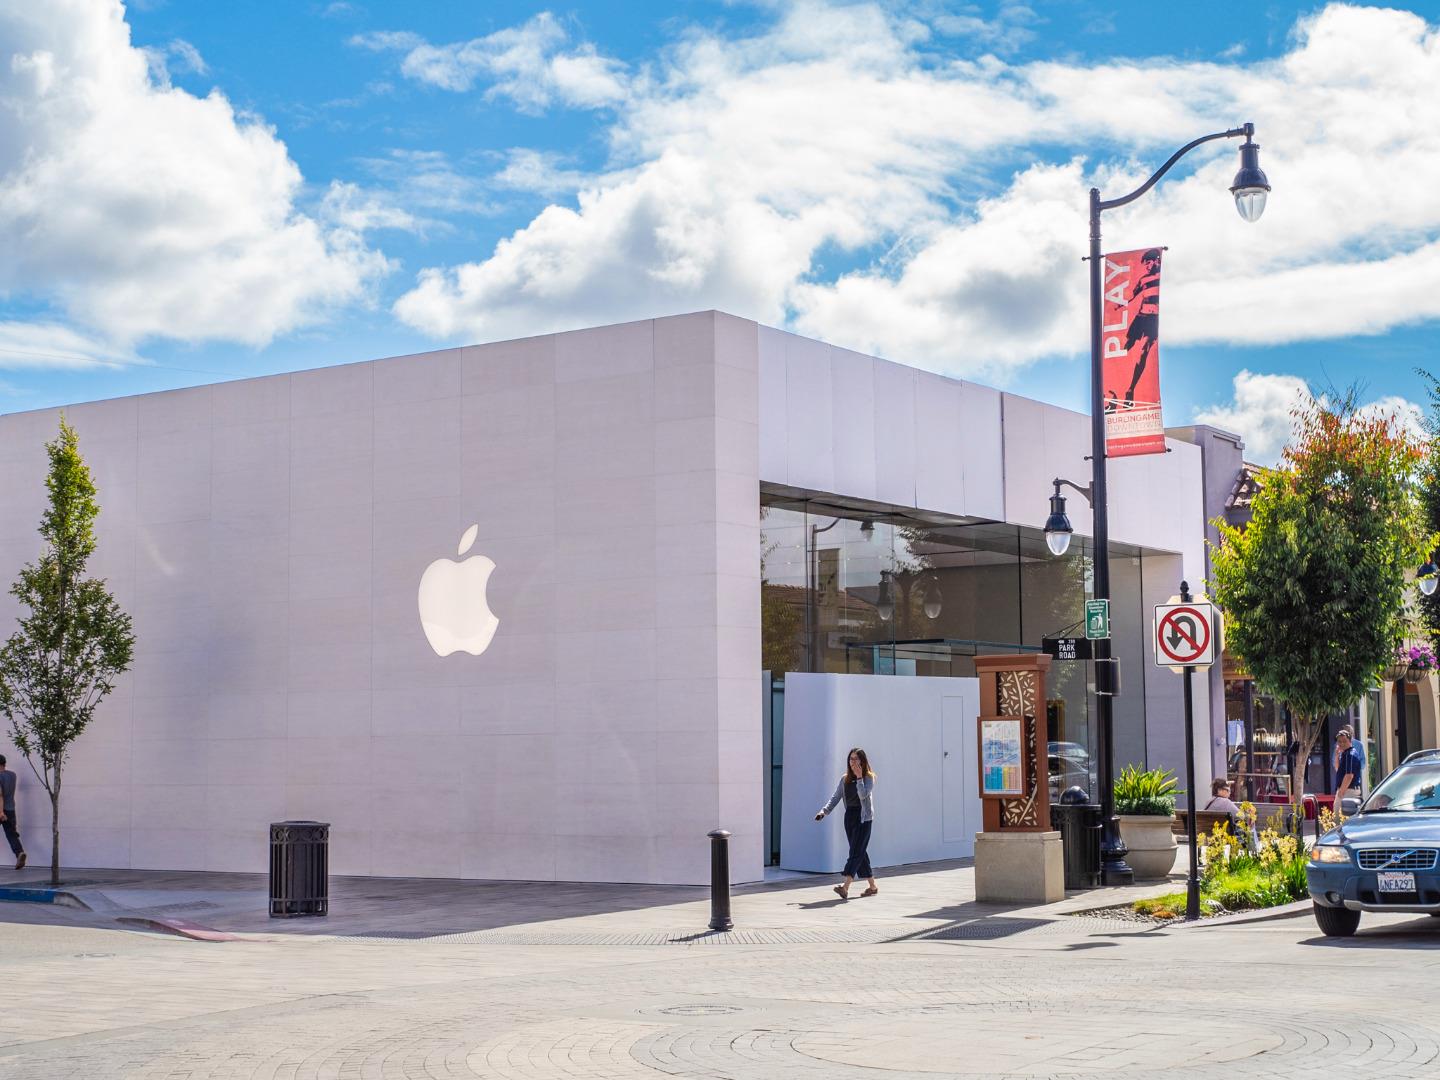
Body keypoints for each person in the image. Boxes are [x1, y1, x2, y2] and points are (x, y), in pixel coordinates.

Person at [815, 747, 877, 900]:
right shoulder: (845, 779)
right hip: (849, 817)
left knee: (856, 851)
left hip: (864, 818)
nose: (853, 761)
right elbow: (835, 797)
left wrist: (859, 777)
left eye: (856, 759)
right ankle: (872, 886)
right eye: (851, 759)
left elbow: (863, 795)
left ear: (862, 761)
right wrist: (824, 811)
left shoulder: (869, 777)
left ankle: (845, 887)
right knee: (859, 851)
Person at [1114, 248, 1161, 410]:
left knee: (1143, 352)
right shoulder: (1144, 279)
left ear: (1156, 261)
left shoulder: (1160, 279)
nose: (1147, 266)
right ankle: (1119, 380)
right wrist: (1118, 304)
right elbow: (1132, 295)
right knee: (1127, 347)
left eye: (1149, 262)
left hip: (1152, 322)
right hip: (1140, 318)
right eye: (1145, 263)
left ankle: (1130, 389)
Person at [0, 754, 25, 870]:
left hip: (1, 810)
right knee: (11, 834)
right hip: (11, 809)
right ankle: (19, 853)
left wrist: (1, 812)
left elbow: (0, 795)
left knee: (11, 834)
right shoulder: (13, 775)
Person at [1334, 729, 1363, 815]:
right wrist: (1336, 755)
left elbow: (1349, 776)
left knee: (1338, 819)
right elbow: (1337, 769)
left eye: (1344, 741)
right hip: (1346, 790)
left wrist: (1341, 792)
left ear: (1350, 741)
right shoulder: (1345, 753)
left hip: (1348, 791)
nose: (1342, 743)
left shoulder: (1350, 754)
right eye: (1339, 741)